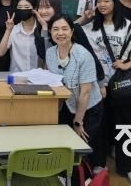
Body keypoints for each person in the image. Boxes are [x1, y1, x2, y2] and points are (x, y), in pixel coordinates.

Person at [83, 0, 131, 184]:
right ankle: (98, 164)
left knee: (127, 125)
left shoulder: (128, 26)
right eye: (99, 1)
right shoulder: (90, 28)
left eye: (107, 1)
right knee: (99, 125)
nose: (102, 5)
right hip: (99, 84)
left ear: (115, 3)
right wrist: (84, 18)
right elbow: (68, 30)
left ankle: (129, 167)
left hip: (123, 83)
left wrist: (127, 65)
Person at [45, 15, 103, 160]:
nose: (60, 33)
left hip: (88, 108)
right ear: (50, 32)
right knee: (63, 147)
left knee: (80, 147)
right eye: (55, 29)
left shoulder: (83, 55)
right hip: (66, 105)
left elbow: (86, 92)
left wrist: (78, 122)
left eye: (64, 29)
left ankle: (90, 171)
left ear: (71, 32)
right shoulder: (50, 53)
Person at [34, 0, 104, 82]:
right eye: (40, 7)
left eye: (47, 7)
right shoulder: (38, 31)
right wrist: (44, 28)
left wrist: (100, 82)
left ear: (56, 8)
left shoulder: (74, 29)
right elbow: (44, 55)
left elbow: (90, 55)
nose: (43, 11)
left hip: (82, 81)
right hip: (57, 83)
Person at [0, 0, 39, 73]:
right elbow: (0, 52)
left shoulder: (41, 30)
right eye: (19, 7)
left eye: (27, 7)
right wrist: (8, 30)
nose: (23, 9)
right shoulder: (13, 30)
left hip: (37, 76)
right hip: (17, 76)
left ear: (34, 9)